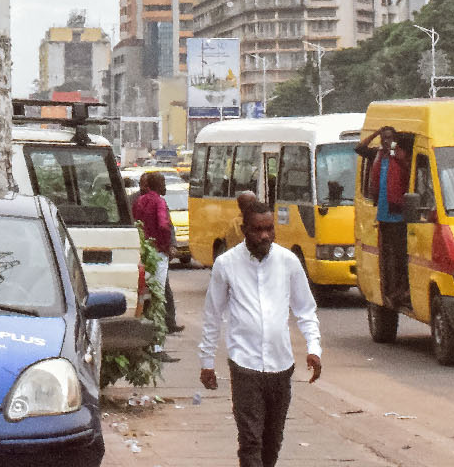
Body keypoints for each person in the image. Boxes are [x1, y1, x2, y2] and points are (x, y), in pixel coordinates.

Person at [198, 203, 322, 467]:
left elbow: (305, 309)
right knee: (250, 440)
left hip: (281, 366)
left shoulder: (288, 262)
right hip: (245, 366)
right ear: (244, 230)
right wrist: (207, 362)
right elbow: (213, 316)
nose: (264, 236)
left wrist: (314, 348)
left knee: (272, 440)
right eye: (257, 230)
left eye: (269, 229)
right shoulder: (226, 264)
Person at [359, 126, 412, 308]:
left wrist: (395, 152)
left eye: (389, 137)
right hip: (383, 215)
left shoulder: (400, 155)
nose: (385, 141)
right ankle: (389, 291)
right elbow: (360, 149)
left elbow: (409, 169)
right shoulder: (378, 156)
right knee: (386, 257)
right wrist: (374, 134)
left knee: (399, 256)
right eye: (383, 138)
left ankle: (401, 290)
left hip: (397, 214)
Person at [131, 171, 181, 334]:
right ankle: (157, 339)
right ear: (156, 185)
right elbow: (164, 226)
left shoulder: (139, 201)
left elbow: (137, 225)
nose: (165, 186)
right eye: (163, 183)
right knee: (158, 296)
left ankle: (144, 329)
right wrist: (167, 247)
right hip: (158, 253)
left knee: (145, 292)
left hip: (144, 252)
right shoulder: (159, 202)